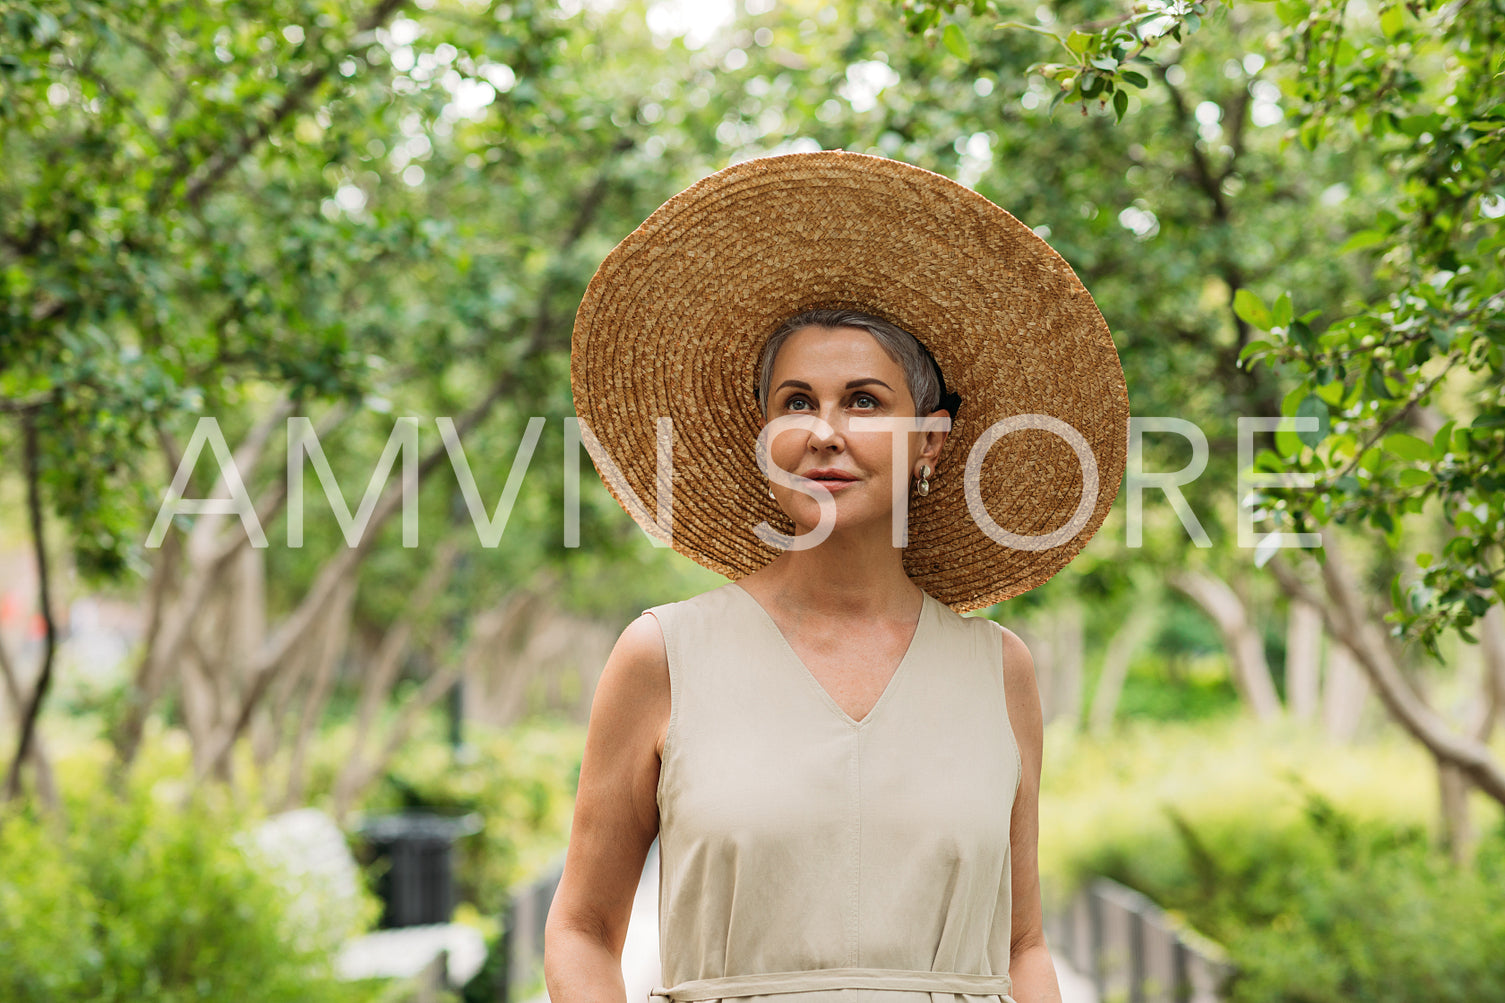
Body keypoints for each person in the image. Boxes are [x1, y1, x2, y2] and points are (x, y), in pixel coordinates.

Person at [545, 151, 1128, 1003]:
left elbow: (1024, 943)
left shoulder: (999, 670)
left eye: (863, 400)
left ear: (929, 440)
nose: (823, 431)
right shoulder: (663, 655)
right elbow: (581, 932)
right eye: (794, 401)